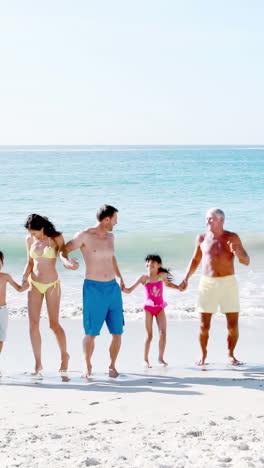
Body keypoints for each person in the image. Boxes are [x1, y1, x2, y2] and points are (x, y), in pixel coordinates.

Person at [179, 208, 250, 366]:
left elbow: (246, 261)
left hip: (228, 283)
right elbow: (195, 260)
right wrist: (185, 278)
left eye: (210, 219)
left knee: (232, 325)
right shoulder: (202, 238)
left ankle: (231, 355)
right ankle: (203, 354)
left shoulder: (232, 237)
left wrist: (237, 252)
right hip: (207, 283)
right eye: (206, 219)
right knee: (204, 325)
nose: (207, 222)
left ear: (221, 221)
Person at [60, 204, 125, 378]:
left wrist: (120, 277)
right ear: (106, 219)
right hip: (93, 289)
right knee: (91, 333)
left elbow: (112, 258)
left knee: (117, 332)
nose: (116, 223)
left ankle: (112, 366)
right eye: (115, 219)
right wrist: (66, 263)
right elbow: (64, 250)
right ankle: (87, 366)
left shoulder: (111, 237)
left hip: (112, 288)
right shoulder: (85, 235)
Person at [22, 214, 70, 376]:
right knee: (33, 324)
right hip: (34, 284)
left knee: (53, 324)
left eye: (34, 232)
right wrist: (23, 277)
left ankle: (64, 355)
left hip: (52, 285)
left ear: (42, 228)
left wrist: (70, 264)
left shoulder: (56, 238)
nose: (32, 236)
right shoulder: (29, 240)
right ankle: (38, 363)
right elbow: (29, 262)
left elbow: (63, 256)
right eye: (30, 233)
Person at [123, 254, 179, 368]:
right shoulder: (143, 278)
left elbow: (168, 284)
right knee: (149, 335)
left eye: (153, 263)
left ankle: (160, 358)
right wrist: (121, 287)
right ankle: (145, 360)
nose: (150, 264)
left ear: (159, 265)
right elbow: (129, 290)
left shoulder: (162, 275)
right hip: (148, 308)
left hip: (159, 307)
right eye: (148, 262)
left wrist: (179, 287)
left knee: (163, 333)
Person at [0, 251, 28, 375]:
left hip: (2, 310)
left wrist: (26, 285)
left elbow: (19, 289)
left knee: (1, 338)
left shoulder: (5, 276)